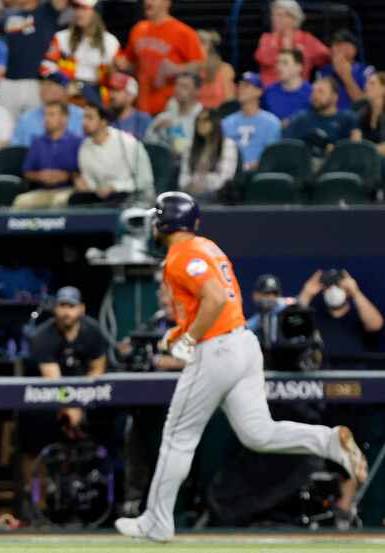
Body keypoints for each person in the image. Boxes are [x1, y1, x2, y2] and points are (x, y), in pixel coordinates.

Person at [114, 192, 369, 543]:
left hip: (216, 350)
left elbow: (215, 299)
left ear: (164, 222)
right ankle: (326, 442)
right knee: (258, 433)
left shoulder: (180, 256)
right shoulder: (206, 246)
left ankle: (156, 522)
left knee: (177, 438)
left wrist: (188, 341)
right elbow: (212, 301)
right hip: (242, 343)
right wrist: (180, 332)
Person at [27, 286, 108, 443]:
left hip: (88, 393)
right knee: (38, 420)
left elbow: (97, 370)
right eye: (62, 306)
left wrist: (80, 405)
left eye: (71, 306)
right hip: (52, 396)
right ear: (55, 308)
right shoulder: (42, 336)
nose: (66, 312)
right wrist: (71, 409)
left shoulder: (93, 331)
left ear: (81, 309)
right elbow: (54, 381)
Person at [115, 0, 205, 116]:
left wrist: (176, 69)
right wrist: (122, 64)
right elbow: (130, 62)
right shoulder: (138, 29)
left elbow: (201, 66)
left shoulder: (183, 32)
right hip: (141, 107)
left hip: (170, 110)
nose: (147, 2)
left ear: (167, 3)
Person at [0, 0, 67, 119]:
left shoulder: (49, 9)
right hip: (10, 82)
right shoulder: (8, 15)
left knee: (36, 126)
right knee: (5, 128)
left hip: (38, 83)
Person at [72, 99, 154, 206]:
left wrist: (114, 187)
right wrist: (85, 185)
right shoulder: (84, 147)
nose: (84, 122)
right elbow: (91, 181)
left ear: (103, 121)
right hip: (103, 198)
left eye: (90, 117)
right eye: (84, 117)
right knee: (75, 200)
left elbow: (144, 181)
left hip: (132, 198)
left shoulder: (128, 143)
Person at [297, 269, 384, 365]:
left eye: (338, 285)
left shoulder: (359, 315)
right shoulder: (314, 317)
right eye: (328, 286)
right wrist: (306, 294)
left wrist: (356, 292)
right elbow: (292, 325)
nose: (333, 290)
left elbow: (376, 325)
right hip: (322, 375)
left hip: (353, 376)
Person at [12, 101, 82, 209]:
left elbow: (83, 172)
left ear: (64, 118)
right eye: (45, 115)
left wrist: (66, 176)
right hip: (42, 190)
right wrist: (39, 176)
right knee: (21, 201)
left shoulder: (77, 142)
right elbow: (27, 171)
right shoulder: (37, 142)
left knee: (59, 201)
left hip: (69, 190)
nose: (46, 119)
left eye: (52, 114)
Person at [44, 0, 120, 97]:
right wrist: (66, 83)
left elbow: (115, 76)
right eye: (76, 7)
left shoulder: (111, 42)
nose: (79, 13)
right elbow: (46, 67)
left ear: (96, 11)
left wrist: (110, 74)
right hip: (68, 98)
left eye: (84, 8)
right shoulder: (61, 38)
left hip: (98, 100)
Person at [254, 0, 329, 86]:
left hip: (298, 93)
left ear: (294, 18)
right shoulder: (266, 38)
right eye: (273, 15)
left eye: (280, 15)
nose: (275, 19)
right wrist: (277, 43)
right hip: (269, 93)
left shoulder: (307, 39)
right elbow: (263, 59)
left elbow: (326, 56)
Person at [283, 76, 361, 158]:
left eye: (321, 92)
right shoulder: (301, 118)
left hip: (337, 166)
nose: (315, 95)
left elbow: (355, 151)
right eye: (313, 91)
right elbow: (286, 147)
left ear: (334, 97)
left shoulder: (347, 119)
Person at [222, 72, 281, 170]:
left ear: (259, 91)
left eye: (246, 86)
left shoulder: (272, 123)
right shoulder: (227, 122)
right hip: (230, 173)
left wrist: (249, 167)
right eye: (239, 86)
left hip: (259, 174)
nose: (240, 89)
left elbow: (272, 157)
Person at [11, 70, 83, 148]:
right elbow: (16, 151)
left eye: (50, 84)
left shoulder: (81, 117)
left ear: (65, 90)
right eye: (42, 84)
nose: (44, 88)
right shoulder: (27, 118)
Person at [179, 108, 238, 201]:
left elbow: (225, 179)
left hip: (216, 194)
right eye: (198, 120)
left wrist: (202, 184)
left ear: (215, 123)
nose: (200, 124)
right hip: (191, 192)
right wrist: (192, 185)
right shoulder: (190, 147)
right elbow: (183, 178)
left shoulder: (227, 145)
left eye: (205, 120)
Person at [145, 72, 203, 158]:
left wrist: (174, 130)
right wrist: (156, 129)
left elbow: (189, 151)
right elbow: (148, 144)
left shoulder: (202, 118)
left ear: (197, 91)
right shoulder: (163, 117)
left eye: (185, 86)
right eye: (177, 85)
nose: (178, 89)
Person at [317, 30, 375, 112]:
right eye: (334, 45)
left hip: (357, 119)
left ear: (353, 50)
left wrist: (346, 76)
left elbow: (366, 104)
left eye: (340, 45)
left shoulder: (366, 71)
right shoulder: (323, 71)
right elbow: (317, 102)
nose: (336, 49)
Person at [262, 48, 312, 124]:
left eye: (285, 63)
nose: (279, 67)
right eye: (278, 63)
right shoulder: (268, 93)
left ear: (299, 67)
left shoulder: (312, 93)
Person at [196, 30, 235, 110]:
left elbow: (229, 100)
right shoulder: (190, 69)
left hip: (218, 116)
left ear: (210, 47)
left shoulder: (224, 69)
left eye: (201, 43)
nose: (196, 47)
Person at [108, 73, 151, 141]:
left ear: (130, 95)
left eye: (117, 91)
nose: (112, 95)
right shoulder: (105, 119)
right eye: (111, 90)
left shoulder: (142, 120)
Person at [356, 72, 385, 155]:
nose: (366, 87)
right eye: (366, 83)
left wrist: (365, 150)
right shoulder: (362, 112)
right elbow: (356, 140)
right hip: (367, 161)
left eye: (372, 83)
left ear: (383, 89)